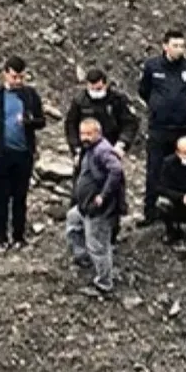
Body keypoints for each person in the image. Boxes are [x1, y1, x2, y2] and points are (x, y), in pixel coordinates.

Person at [138, 30, 186, 226]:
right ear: (165, 46)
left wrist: (183, 107)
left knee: (182, 167)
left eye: (182, 46)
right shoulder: (152, 66)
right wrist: (158, 106)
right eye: (175, 46)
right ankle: (150, 212)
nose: (179, 49)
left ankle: (181, 211)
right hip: (159, 128)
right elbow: (144, 91)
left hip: (181, 128)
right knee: (155, 168)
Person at [0, 56, 46, 251]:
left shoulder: (30, 95)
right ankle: (0, 237)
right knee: (0, 196)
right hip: (0, 154)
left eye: (21, 77)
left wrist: (29, 121)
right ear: (5, 74)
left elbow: (41, 121)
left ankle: (19, 236)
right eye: (14, 77)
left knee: (20, 197)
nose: (18, 81)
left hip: (23, 154)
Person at [65, 119, 125, 293]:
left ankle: (104, 284)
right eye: (82, 133)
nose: (85, 137)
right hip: (84, 206)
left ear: (98, 133)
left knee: (98, 246)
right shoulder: (89, 149)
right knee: (73, 222)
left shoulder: (102, 150)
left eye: (89, 134)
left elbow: (116, 170)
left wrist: (103, 196)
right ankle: (82, 257)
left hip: (98, 209)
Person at [65, 68, 139, 167]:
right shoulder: (79, 101)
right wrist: (76, 149)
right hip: (86, 148)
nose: (95, 92)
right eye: (92, 89)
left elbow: (129, 123)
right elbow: (71, 125)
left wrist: (122, 143)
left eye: (98, 89)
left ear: (105, 85)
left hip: (111, 147)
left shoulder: (117, 100)